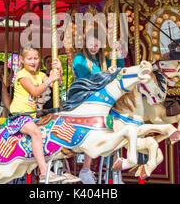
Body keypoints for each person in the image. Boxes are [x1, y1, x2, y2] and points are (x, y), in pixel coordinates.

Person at [71, 28, 125, 184]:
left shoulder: (103, 59)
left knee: (115, 126)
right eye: (90, 44)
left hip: (101, 101)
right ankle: (86, 169)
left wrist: (118, 53)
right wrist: (106, 74)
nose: (93, 47)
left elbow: (119, 71)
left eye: (96, 44)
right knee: (94, 126)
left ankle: (114, 170)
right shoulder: (80, 59)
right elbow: (86, 79)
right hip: (84, 98)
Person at [8, 46, 66, 183]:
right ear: (22, 60)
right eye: (29, 59)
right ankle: (44, 172)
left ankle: (58, 166)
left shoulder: (40, 75)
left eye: (35, 58)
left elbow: (55, 85)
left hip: (32, 117)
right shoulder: (22, 75)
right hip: (19, 116)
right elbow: (35, 91)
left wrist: (59, 70)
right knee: (35, 132)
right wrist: (49, 79)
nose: (33, 61)